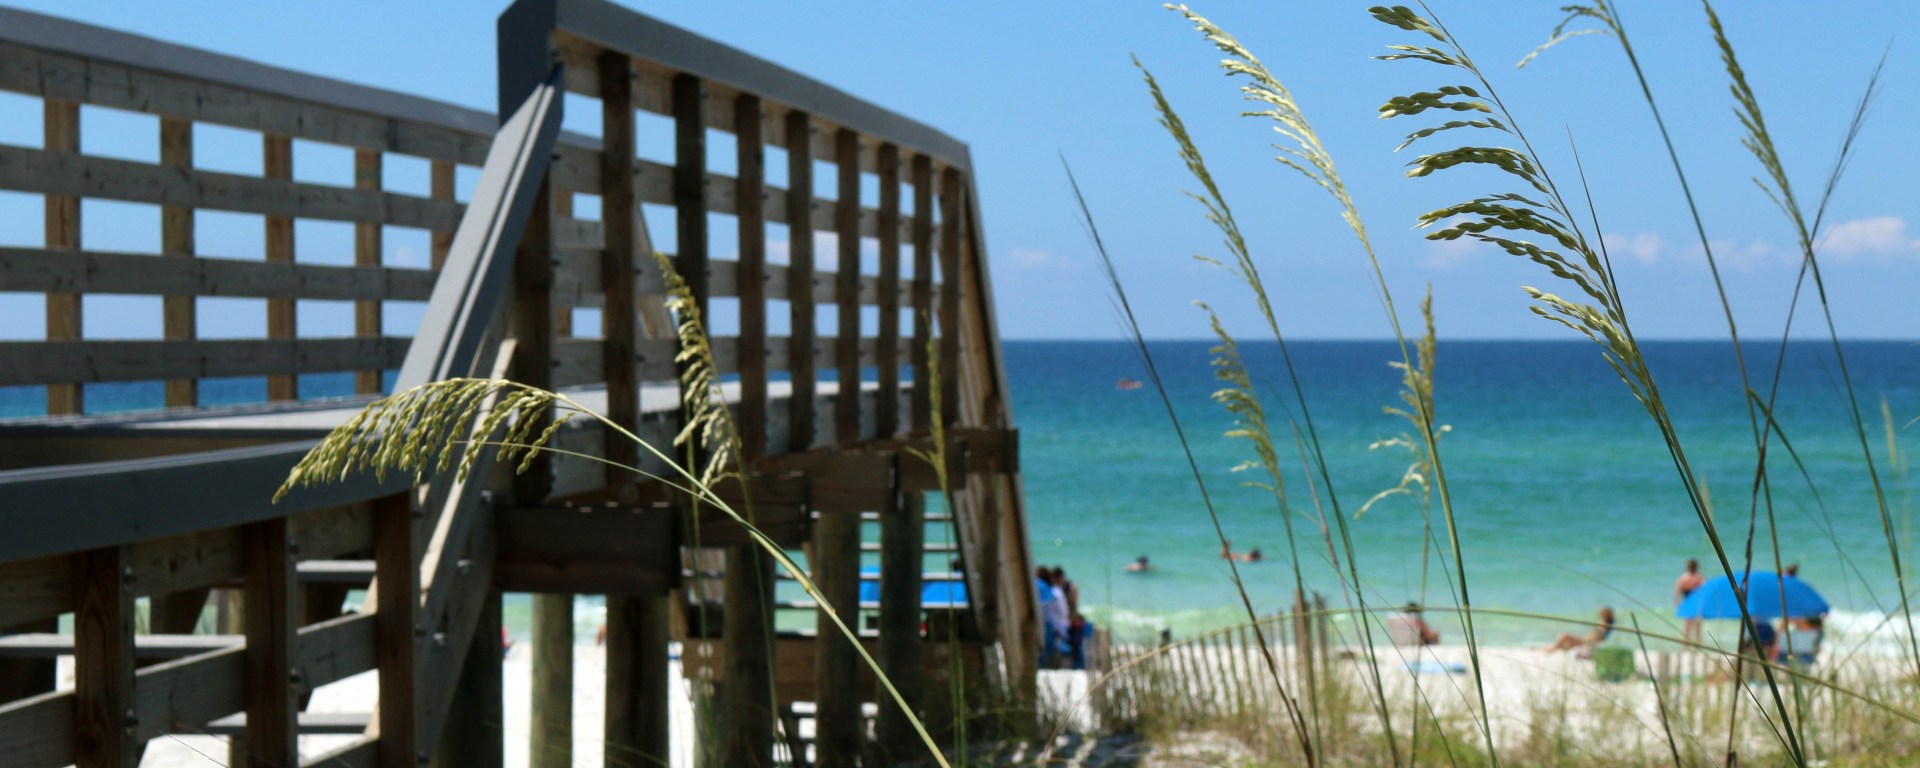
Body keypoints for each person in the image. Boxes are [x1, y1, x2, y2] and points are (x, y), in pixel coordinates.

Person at [1542, 607, 1615, 653]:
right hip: (1585, 640)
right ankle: (1545, 648)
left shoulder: (1605, 626)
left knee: (1565, 635)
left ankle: (1551, 649)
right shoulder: (1604, 624)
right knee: (1565, 645)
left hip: (1587, 642)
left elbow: (1600, 635)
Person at [1043, 567, 1070, 669]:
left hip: (1053, 624)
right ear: (1059, 578)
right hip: (1058, 626)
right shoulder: (1057, 592)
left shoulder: (1051, 591)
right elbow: (1063, 611)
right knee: (1058, 648)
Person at [1675, 558, 1705, 642]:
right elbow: (1678, 593)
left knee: (1693, 628)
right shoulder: (1696, 578)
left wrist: (1678, 606)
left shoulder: (1694, 578)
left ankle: (1691, 647)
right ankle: (1689, 649)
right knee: (1689, 629)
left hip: (1692, 604)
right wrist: (1678, 606)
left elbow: (1677, 593)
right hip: (1691, 604)